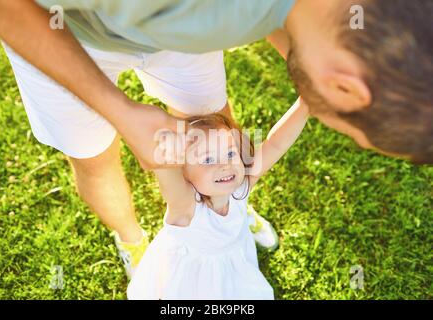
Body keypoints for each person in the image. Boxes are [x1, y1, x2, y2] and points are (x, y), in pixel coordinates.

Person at [0, 0, 431, 277]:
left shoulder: (236, 16)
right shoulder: (208, 10)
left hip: (174, 34)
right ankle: (133, 239)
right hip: (58, 32)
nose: (232, 160)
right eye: (349, 130)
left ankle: (226, 213)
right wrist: (120, 113)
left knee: (215, 121)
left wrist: (308, 99)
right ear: (346, 87)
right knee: (93, 156)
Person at [128, 98, 308, 299]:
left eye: (230, 153)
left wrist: (305, 104)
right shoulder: (185, 208)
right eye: (208, 159)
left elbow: (275, 144)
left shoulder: (240, 188)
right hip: (195, 280)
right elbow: (168, 176)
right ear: (183, 173)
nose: (224, 165)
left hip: (233, 264)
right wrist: (161, 150)